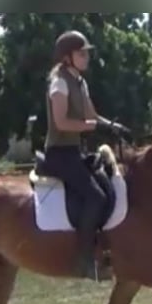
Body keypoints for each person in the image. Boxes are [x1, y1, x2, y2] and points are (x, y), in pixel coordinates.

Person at [43, 29, 131, 281]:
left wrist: (112, 126)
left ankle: (103, 249)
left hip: (75, 152)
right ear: (67, 57)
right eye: (81, 53)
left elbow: (92, 115)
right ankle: (83, 261)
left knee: (108, 185)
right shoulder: (59, 82)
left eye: (86, 53)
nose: (86, 57)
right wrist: (90, 126)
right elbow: (61, 123)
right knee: (95, 196)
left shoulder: (80, 82)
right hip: (59, 154)